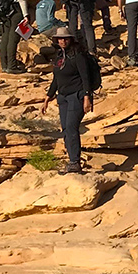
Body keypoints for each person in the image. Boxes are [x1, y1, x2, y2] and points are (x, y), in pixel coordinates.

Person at [39, 25, 99, 174]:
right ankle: (72, 160)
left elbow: (85, 76)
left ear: (70, 39)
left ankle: (74, 163)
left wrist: (87, 97)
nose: (62, 41)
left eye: (65, 39)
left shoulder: (78, 55)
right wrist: (47, 97)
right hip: (63, 97)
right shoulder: (59, 56)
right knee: (65, 129)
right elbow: (56, 79)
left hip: (77, 96)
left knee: (72, 127)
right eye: (60, 38)